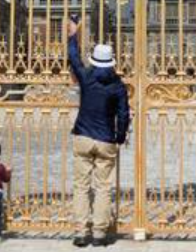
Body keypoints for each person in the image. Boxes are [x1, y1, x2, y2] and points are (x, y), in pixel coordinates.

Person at [65, 17, 130, 248]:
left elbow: (73, 58)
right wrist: (120, 137)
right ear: (112, 62)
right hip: (105, 140)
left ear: (94, 60)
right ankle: (100, 234)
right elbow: (123, 115)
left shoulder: (86, 78)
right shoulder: (118, 85)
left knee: (81, 186)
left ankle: (81, 233)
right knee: (103, 188)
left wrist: (73, 35)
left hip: (83, 136)